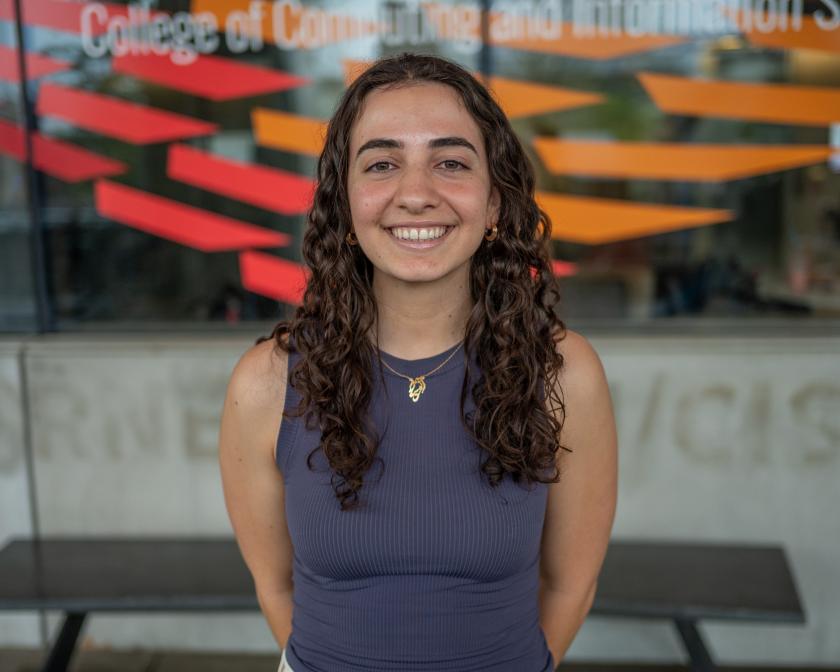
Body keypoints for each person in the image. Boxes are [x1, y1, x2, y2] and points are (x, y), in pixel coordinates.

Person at [218, 52, 617, 672]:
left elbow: (571, 586)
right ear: (345, 205)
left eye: (451, 162)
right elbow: (274, 587)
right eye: (382, 164)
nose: (415, 194)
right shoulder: (267, 383)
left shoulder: (564, 374)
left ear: (493, 204)